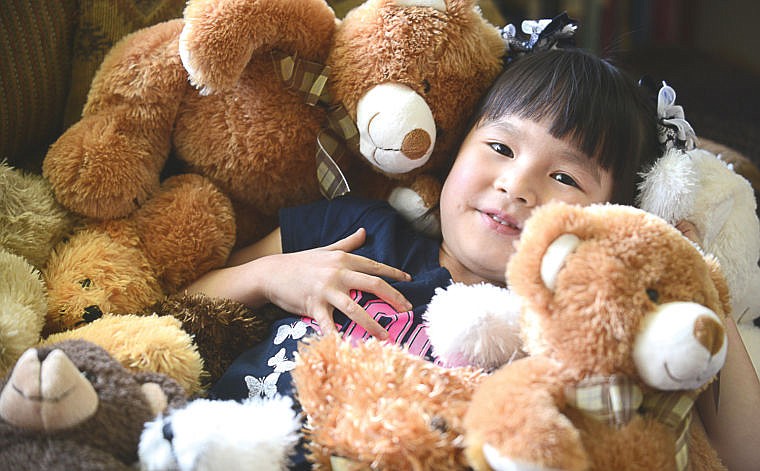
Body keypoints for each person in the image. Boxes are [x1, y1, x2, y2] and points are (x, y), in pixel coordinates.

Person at [187, 48, 759, 470]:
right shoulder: (354, 228)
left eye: (564, 176)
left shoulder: (567, 332)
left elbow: (744, 451)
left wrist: (692, 277)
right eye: (501, 147)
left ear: (605, 217)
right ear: (457, 147)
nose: (515, 185)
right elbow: (183, 301)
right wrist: (269, 276)